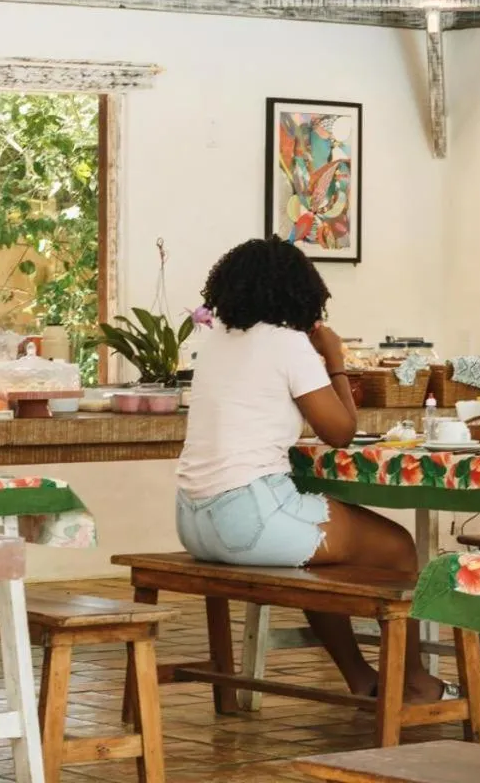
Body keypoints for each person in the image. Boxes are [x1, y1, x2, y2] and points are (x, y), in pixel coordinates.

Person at [176, 235, 450, 704]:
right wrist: (335, 359)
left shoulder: (217, 341)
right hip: (250, 520)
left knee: (320, 561)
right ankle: (415, 681)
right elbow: (340, 432)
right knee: (398, 546)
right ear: (299, 291)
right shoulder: (286, 344)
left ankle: (364, 679)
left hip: (193, 522)